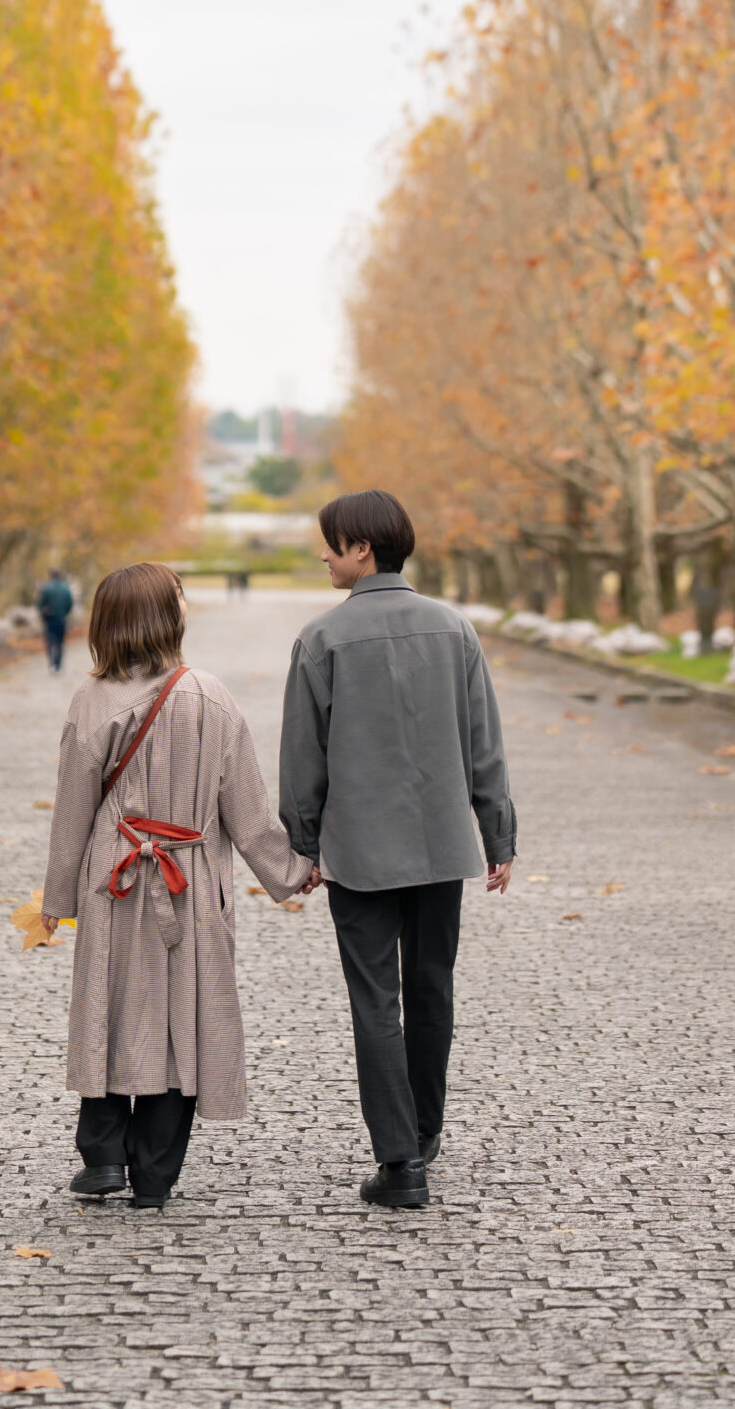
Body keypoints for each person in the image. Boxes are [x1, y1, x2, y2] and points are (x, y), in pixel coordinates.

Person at [39, 561, 315, 1208]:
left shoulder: (89, 700)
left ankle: (102, 1157)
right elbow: (247, 812)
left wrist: (57, 899)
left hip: (114, 879)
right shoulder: (210, 696)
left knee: (107, 1010)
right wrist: (295, 872)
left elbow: (71, 809)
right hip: (188, 881)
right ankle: (155, 1174)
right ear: (167, 616)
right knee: (179, 1019)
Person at [279, 488, 516, 1212]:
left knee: (375, 998)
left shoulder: (321, 641)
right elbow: (484, 743)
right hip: (442, 846)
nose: (321, 554)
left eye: (329, 542)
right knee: (432, 987)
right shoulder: (454, 630)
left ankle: (399, 1158)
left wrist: (303, 843)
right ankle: (426, 1131)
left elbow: (301, 761)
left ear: (361, 547)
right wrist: (496, 833)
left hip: (359, 852)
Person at [36, 566, 74, 673]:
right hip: (61, 619)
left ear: (51, 575)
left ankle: (52, 662)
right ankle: (58, 664)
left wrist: (43, 615)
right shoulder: (66, 588)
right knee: (60, 642)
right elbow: (70, 603)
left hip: (50, 619)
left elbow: (40, 604)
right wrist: (65, 613)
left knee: (50, 641)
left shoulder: (46, 588)